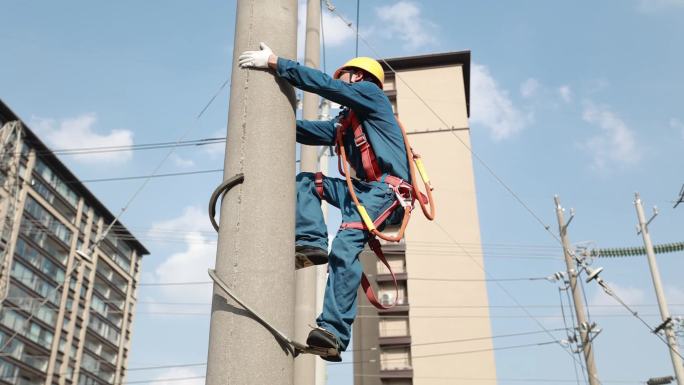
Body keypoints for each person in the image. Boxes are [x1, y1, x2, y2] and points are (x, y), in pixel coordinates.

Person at [238, 42, 410, 362]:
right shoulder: (346, 127)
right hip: (363, 191)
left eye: (345, 77)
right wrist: (267, 120)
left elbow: (326, 86)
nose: (342, 83)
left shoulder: (371, 96)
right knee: (309, 181)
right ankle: (311, 243)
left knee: (345, 245)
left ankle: (333, 332)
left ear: (358, 78)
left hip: (386, 192)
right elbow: (302, 130)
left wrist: (276, 63)